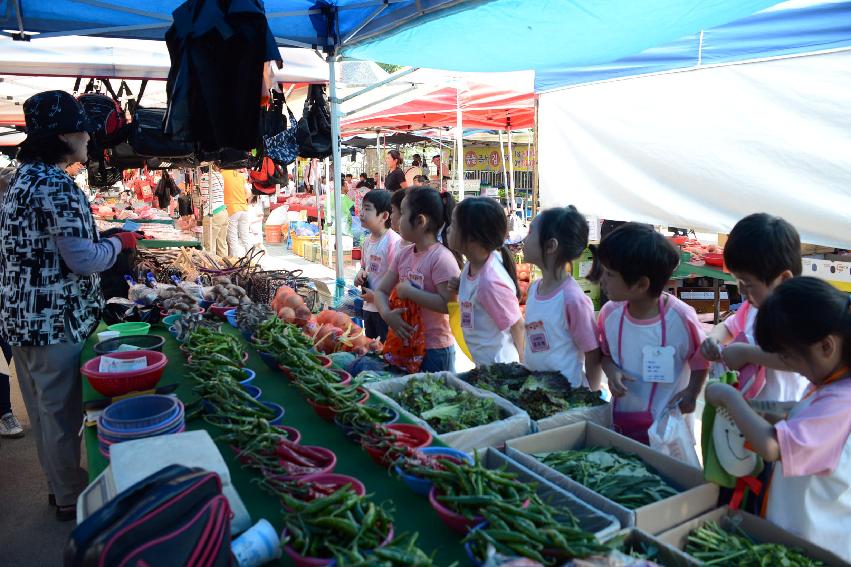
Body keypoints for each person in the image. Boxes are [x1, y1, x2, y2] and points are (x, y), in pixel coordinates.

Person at [0, 90, 141, 521]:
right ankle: (67, 496)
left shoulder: (16, 180)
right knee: (60, 414)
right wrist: (120, 242)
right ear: (64, 135)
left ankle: (57, 485)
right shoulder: (57, 185)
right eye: (82, 129)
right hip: (54, 319)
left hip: (20, 317)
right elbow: (81, 260)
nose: (88, 137)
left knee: (43, 411)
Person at [705, 277, 851, 561]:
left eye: (789, 358)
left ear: (826, 347)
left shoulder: (841, 401)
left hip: (814, 543)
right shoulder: (833, 385)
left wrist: (728, 398)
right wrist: (761, 409)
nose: (790, 367)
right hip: (802, 532)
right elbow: (803, 411)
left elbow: (772, 447)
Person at [590, 223, 708, 445]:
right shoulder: (609, 314)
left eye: (610, 274)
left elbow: (702, 361)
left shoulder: (681, 319)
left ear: (641, 284)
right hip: (621, 424)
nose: (602, 280)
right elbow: (605, 355)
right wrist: (612, 370)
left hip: (668, 432)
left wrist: (692, 394)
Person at [701, 213, 808, 402]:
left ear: (783, 279)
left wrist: (747, 353)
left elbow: (800, 361)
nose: (741, 290)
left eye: (748, 284)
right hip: (748, 410)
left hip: (782, 416)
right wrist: (714, 339)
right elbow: (728, 326)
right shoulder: (753, 308)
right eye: (738, 280)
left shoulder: (799, 315)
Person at [374, 187, 461, 372]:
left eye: (403, 213)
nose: (397, 218)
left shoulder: (441, 258)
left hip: (435, 350)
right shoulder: (403, 254)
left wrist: (411, 293)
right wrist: (387, 315)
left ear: (420, 221)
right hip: (406, 345)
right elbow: (381, 291)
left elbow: (449, 305)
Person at [522, 206, 602, 389]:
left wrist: (591, 395)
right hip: (536, 390)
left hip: (565, 395)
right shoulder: (534, 288)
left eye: (530, 232)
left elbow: (592, 353)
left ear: (550, 246)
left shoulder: (572, 299)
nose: (525, 239)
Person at [446, 197, 524, 366]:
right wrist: (462, 287)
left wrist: (527, 369)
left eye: (453, 225)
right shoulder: (473, 264)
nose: (448, 230)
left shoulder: (490, 282)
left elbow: (518, 326)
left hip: (501, 370)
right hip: (484, 366)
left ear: (473, 238)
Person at [355, 190, 401, 342]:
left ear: (385, 216)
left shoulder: (393, 242)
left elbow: (398, 282)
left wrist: (376, 298)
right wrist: (360, 274)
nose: (362, 213)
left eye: (367, 209)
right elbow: (364, 267)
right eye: (362, 208)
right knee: (371, 350)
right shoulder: (367, 241)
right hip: (369, 309)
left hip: (386, 311)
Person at [199, 164, 228, 257]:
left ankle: (211, 268)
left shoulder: (204, 177)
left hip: (212, 213)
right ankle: (225, 268)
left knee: (209, 246)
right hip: (223, 212)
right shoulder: (219, 175)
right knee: (222, 244)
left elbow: (204, 198)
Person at [222, 168, 251, 257]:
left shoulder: (222, 175)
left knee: (232, 237)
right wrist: (240, 200)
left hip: (231, 209)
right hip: (244, 208)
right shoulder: (240, 176)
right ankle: (250, 257)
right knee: (245, 236)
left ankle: (234, 259)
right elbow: (249, 193)